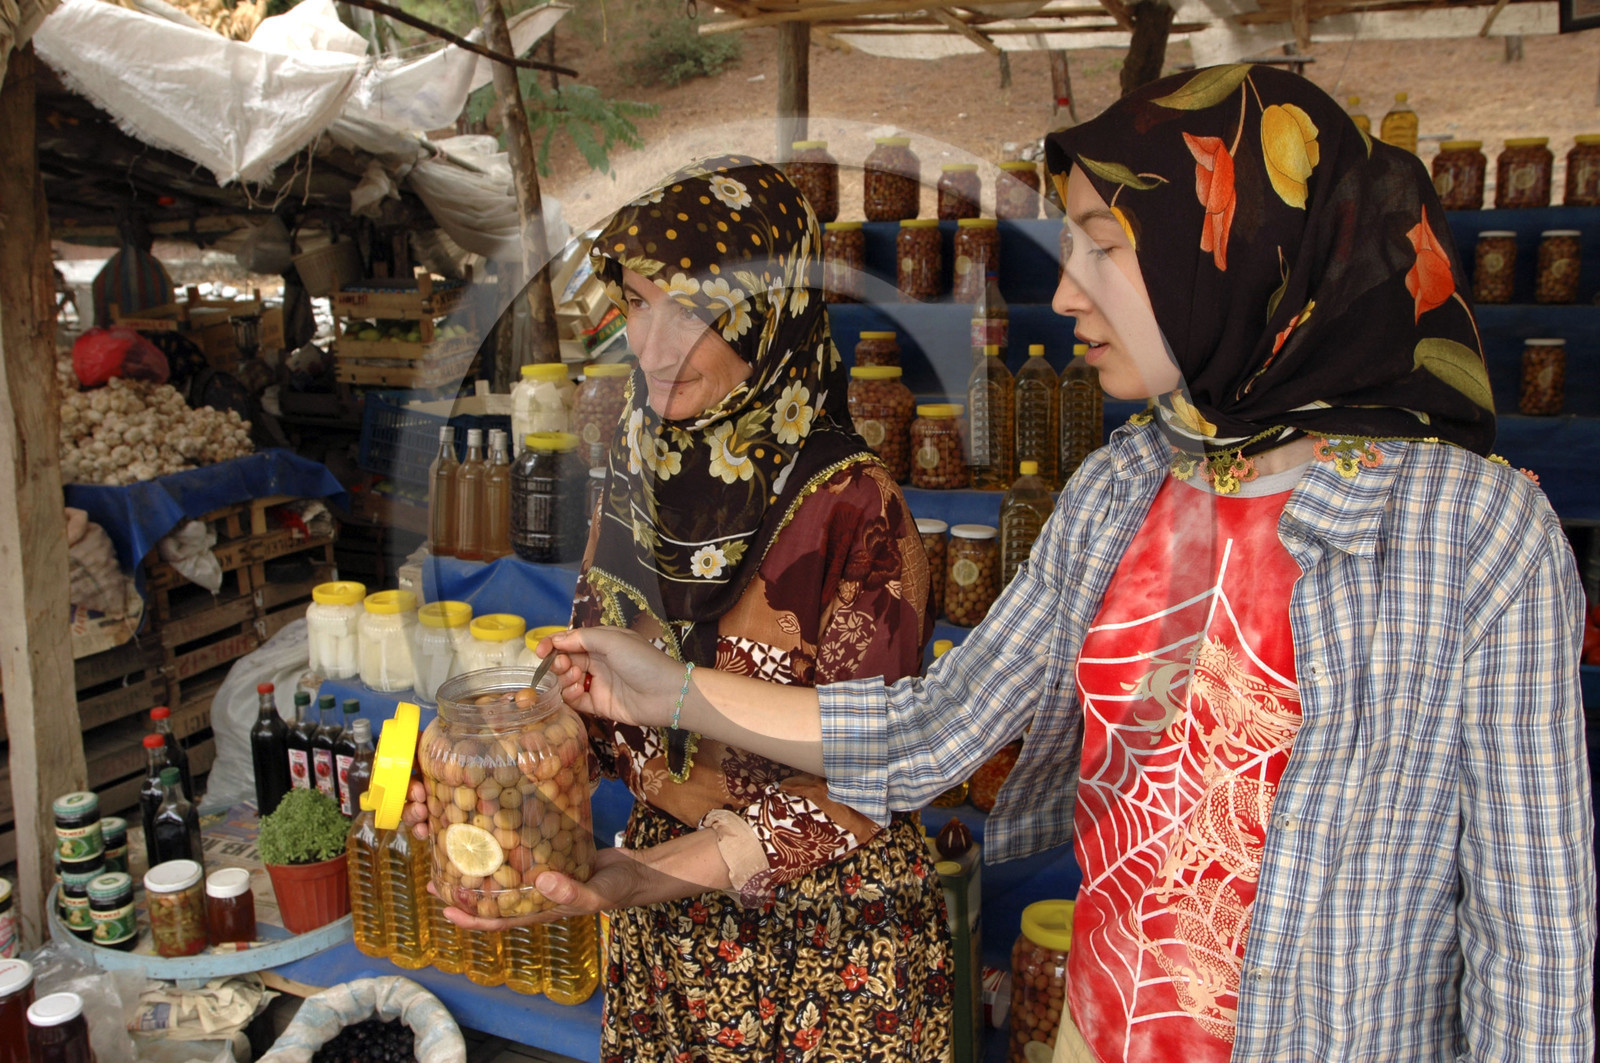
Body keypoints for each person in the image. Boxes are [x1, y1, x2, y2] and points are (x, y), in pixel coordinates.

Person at [535, 69, 1595, 1062]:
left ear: (1235, 247)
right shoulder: (1121, 489)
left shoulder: (1472, 535)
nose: (1071, 291)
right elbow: (928, 727)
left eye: (1105, 246)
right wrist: (663, 685)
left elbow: (1533, 938)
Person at [408, 157, 954, 1063]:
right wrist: (507, 777)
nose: (651, 346)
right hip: (670, 934)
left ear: (767, 308)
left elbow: (873, 772)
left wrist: (647, 875)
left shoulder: (856, 507)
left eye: (690, 309)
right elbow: (600, 697)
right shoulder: (639, 473)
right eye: (633, 303)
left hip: (824, 945)